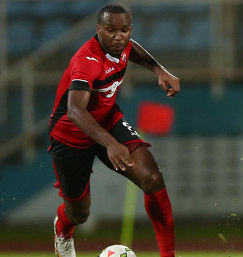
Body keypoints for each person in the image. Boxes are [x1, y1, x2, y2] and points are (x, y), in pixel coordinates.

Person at [48, 3, 178, 257]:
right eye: (111, 30)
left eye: (125, 30)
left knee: (152, 178)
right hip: (71, 136)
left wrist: (158, 69)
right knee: (79, 213)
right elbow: (75, 111)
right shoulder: (86, 61)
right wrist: (109, 143)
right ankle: (62, 228)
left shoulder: (122, 43)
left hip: (108, 121)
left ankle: (168, 255)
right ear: (98, 30)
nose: (119, 37)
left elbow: (132, 49)